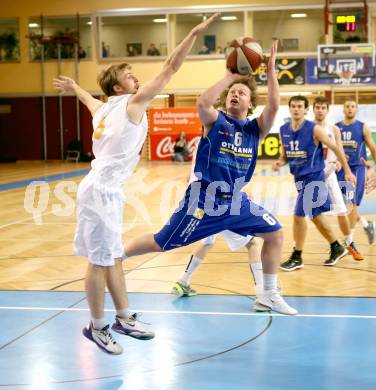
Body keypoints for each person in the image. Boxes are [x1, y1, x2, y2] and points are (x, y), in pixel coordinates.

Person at [53, 13, 220, 355]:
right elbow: (172, 67)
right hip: (100, 191)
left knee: (113, 256)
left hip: (105, 191)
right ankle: (97, 327)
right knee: (100, 261)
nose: (135, 77)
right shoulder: (133, 103)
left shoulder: (103, 109)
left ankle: (124, 317)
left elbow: (87, 99)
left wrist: (74, 88)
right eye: (128, 76)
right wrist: (194, 33)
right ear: (119, 88)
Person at [124, 40, 298, 316]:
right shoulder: (216, 121)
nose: (236, 94)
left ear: (251, 103)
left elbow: (275, 106)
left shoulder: (255, 130)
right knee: (162, 242)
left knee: (275, 233)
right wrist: (231, 76)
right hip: (203, 199)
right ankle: (115, 256)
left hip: (237, 202)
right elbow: (203, 102)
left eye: (242, 92)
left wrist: (272, 69)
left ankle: (268, 295)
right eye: (232, 92)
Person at [276, 96, 363, 270]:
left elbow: (336, 148)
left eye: (300, 106)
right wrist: (280, 162)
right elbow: (285, 155)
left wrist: (346, 170)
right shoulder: (283, 129)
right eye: (293, 106)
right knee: (315, 216)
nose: (296, 109)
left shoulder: (315, 129)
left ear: (306, 109)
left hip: (315, 177)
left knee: (299, 214)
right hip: (299, 177)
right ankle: (336, 246)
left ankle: (297, 255)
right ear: (289, 108)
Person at [172, 233, 270, 311]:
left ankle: (183, 281)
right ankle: (262, 296)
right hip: (225, 211)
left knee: (207, 242)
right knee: (253, 243)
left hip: (207, 212)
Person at [336, 99, 376, 244]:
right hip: (341, 169)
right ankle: (366, 224)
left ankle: (349, 240)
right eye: (347, 106)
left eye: (353, 106)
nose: (350, 109)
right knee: (343, 205)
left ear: (356, 109)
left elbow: (372, 148)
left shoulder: (362, 127)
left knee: (352, 203)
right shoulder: (336, 128)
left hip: (357, 169)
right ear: (343, 109)